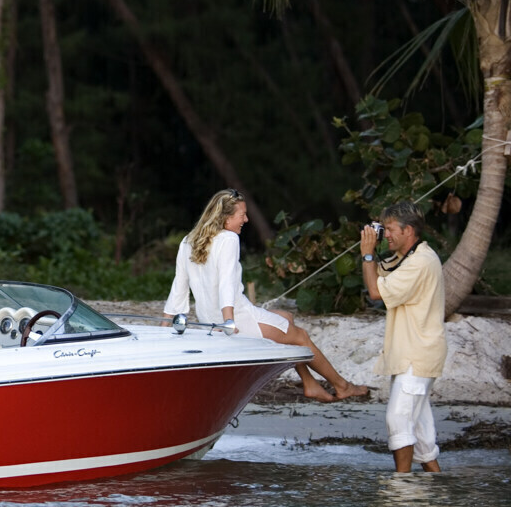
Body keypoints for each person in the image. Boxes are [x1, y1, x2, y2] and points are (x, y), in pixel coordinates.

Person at [164, 189, 370, 402]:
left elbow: (178, 286)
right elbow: (225, 283)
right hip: (236, 319)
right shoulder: (228, 239)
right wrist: (229, 321)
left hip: (211, 319)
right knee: (300, 338)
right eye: (241, 214)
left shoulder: (189, 241)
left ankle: (310, 384)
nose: (246, 219)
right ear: (226, 219)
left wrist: (164, 326)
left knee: (286, 318)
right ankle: (343, 386)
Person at [360, 200, 447, 473]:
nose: (386, 235)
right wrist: (371, 253)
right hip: (412, 353)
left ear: (408, 230)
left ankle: (401, 487)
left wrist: (366, 254)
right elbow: (377, 278)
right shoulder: (408, 258)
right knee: (419, 430)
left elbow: (375, 292)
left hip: (417, 354)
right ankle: (435, 481)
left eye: (390, 229)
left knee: (397, 419)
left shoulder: (421, 262)